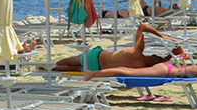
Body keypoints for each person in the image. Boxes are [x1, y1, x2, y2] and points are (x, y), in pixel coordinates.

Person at [53, 21, 187, 73]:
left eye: (155, 55)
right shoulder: (140, 67)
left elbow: (143, 26)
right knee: (75, 67)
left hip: (95, 56)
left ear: (152, 56)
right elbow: (161, 64)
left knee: (70, 61)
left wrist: (162, 36)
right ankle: (52, 68)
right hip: (97, 69)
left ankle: (48, 66)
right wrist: (171, 55)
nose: (154, 55)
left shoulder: (137, 51)